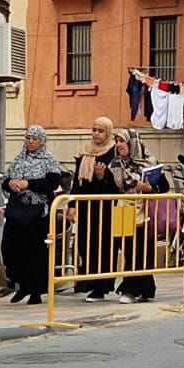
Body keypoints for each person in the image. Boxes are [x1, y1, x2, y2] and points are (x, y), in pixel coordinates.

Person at [0, 126, 63, 305]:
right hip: (18, 211)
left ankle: (35, 292)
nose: (31, 141)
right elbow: (5, 180)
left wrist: (29, 184)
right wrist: (10, 183)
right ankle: (22, 286)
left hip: (38, 213)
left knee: (36, 254)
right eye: (28, 137)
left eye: (35, 138)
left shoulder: (49, 159)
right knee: (11, 250)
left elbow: (52, 182)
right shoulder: (19, 159)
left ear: (42, 141)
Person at [110, 128, 168, 304]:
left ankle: (131, 289)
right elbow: (111, 188)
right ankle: (142, 289)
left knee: (144, 251)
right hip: (123, 209)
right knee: (128, 249)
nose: (119, 145)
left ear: (132, 143)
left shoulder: (149, 162)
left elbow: (164, 186)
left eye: (122, 141)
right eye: (117, 141)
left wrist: (150, 189)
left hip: (144, 211)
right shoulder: (115, 164)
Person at [71, 116, 120, 302]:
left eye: (100, 131)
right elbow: (77, 182)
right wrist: (71, 205)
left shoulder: (113, 153)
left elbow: (115, 186)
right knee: (84, 244)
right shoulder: (85, 151)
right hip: (86, 207)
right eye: (94, 130)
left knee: (104, 247)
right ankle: (87, 282)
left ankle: (102, 287)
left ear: (108, 132)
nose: (96, 134)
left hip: (105, 209)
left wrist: (102, 177)